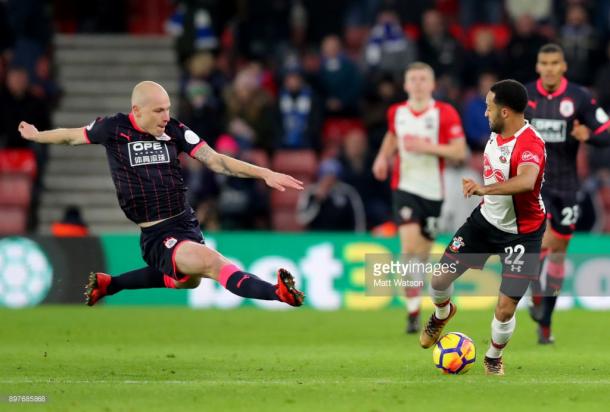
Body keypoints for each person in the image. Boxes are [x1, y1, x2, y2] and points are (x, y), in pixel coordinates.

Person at [18, 81, 305, 307]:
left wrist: (265, 173)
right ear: (137, 110)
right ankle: (277, 293)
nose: (166, 116)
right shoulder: (113, 128)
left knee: (187, 282)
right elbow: (71, 136)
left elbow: (216, 160)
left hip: (186, 223)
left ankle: (111, 284)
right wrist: (37, 135)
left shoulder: (175, 129)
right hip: (157, 235)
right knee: (212, 263)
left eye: (167, 109)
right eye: (158, 111)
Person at [419, 79, 546, 376]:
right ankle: (443, 313)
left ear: (504, 112)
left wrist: (484, 189)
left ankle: (493, 357)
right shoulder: (496, 133)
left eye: (489, 107)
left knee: (504, 309)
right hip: (485, 221)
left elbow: (527, 181)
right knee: (439, 279)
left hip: (522, 233)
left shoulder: (530, 143)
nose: (485, 112)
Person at [372, 62, 466, 334]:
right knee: (409, 246)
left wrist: (426, 147)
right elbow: (392, 135)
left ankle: (414, 307)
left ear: (432, 84)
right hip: (405, 188)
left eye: (423, 79)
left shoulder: (444, 113)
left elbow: (459, 152)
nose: (418, 84)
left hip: (433, 193)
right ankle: (412, 313)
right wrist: (382, 157)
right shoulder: (397, 112)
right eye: (412, 79)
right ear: (405, 85)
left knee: (421, 255)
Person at [525, 44, 610, 344]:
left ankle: (545, 318)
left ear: (563, 66)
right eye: (543, 62)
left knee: (557, 254)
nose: (548, 68)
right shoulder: (524, 97)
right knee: (538, 245)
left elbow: (606, 131)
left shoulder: (579, 97)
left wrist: (590, 136)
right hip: (532, 184)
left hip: (566, 186)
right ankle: (535, 297)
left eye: (554, 63)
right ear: (537, 66)